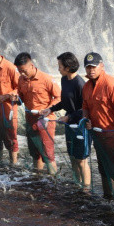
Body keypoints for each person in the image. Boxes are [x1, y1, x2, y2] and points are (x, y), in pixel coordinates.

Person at [81, 52, 114, 200]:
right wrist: (86, 119)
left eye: (94, 66)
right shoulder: (86, 86)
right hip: (98, 136)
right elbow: (85, 107)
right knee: (102, 169)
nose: (91, 70)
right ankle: (107, 198)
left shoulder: (112, 84)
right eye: (88, 67)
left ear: (102, 66)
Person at [43, 52, 91, 189]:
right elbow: (65, 102)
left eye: (60, 66)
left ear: (68, 67)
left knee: (81, 160)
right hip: (69, 123)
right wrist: (50, 109)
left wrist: (69, 117)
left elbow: (85, 109)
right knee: (72, 158)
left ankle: (86, 190)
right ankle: (78, 186)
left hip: (80, 124)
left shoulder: (80, 84)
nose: (58, 68)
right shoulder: (64, 80)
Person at [14, 52, 61, 175]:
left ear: (32, 66)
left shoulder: (46, 79)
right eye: (19, 71)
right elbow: (21, 98)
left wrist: (48, 109)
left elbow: (59, 97)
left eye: (24, 70)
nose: (22, 73)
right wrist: (16, 98)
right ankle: (38, 180)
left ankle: (54, 182)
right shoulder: (21, 79)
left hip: (45, 121)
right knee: (35, 154)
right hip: (31, 120)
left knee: (48, 154)